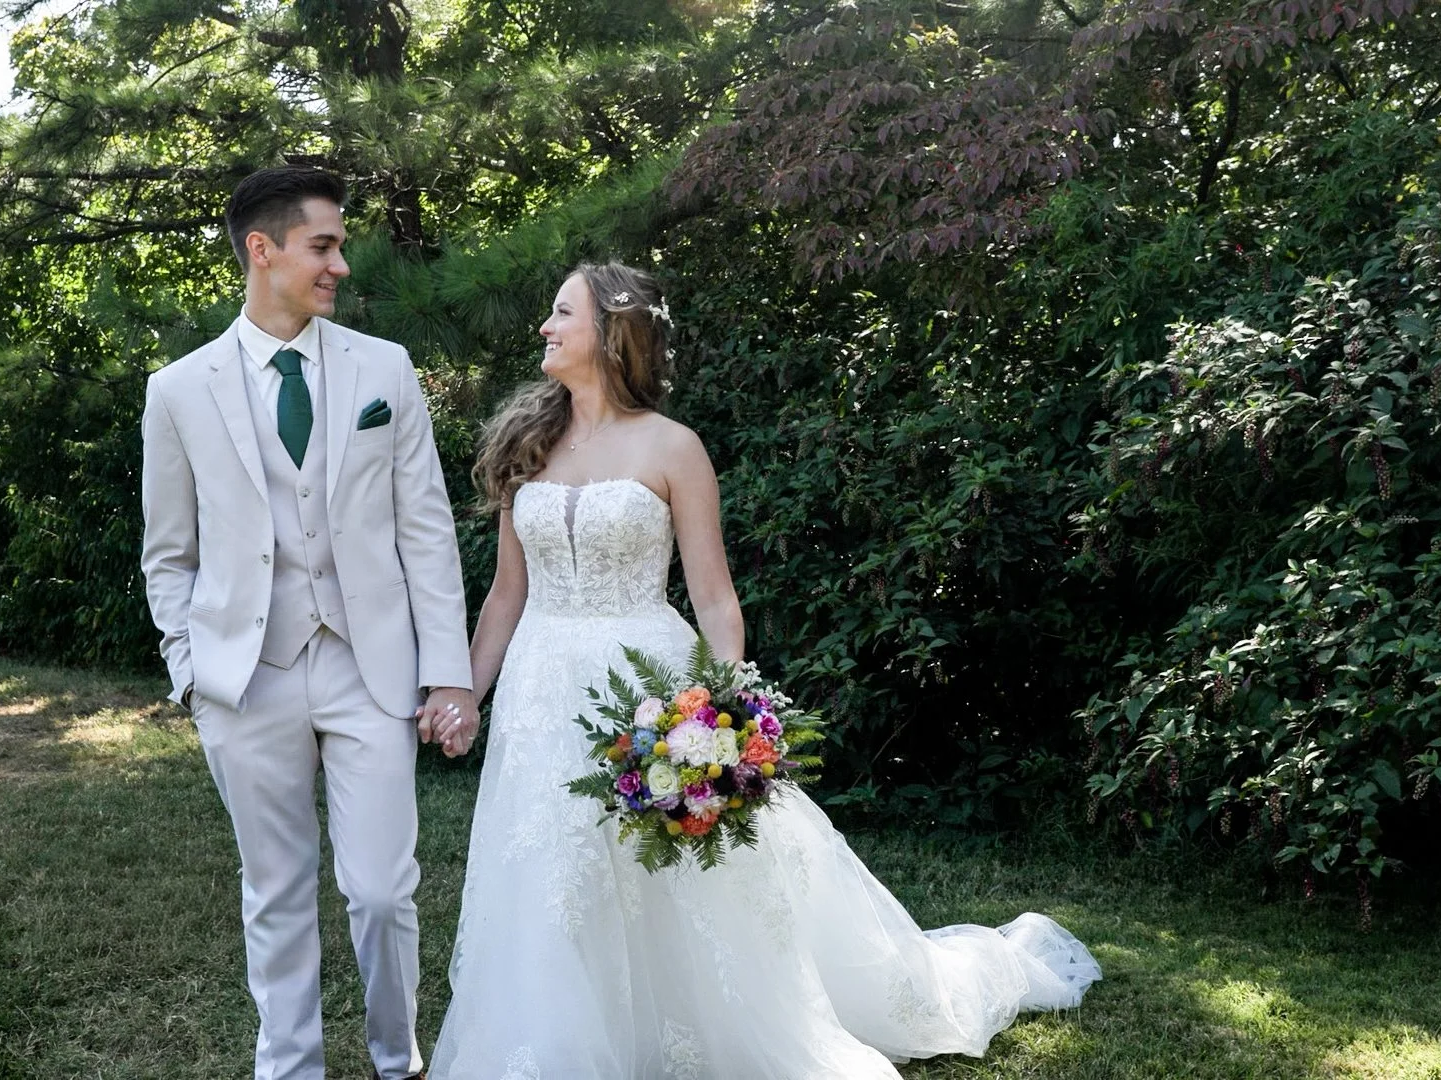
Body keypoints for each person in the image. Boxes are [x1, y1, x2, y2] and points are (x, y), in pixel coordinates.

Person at [426, 262, 1101, 1078]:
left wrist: (717, 716)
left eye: (561, 313)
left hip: (647, 684)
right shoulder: (528, 444)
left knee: (675, 871)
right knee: (551, 867)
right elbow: (506, 594)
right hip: (541, 689)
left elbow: (715, 600)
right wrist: (466, 692)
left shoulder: (673, 447)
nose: (545, 326)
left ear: (611, 333)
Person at [138, 165, 477, 1080]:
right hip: (245, 675)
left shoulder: (384, 368)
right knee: (276, 890)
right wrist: (189, 669)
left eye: (339, 245)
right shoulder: (179, 390)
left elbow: (425, 529)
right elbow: (168, 553)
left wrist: (448, 671)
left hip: (371, 665)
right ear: (263, 249)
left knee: (382, 890)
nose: (340, 265)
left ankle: (398, 1059)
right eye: (323, 246)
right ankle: (289, 1068)